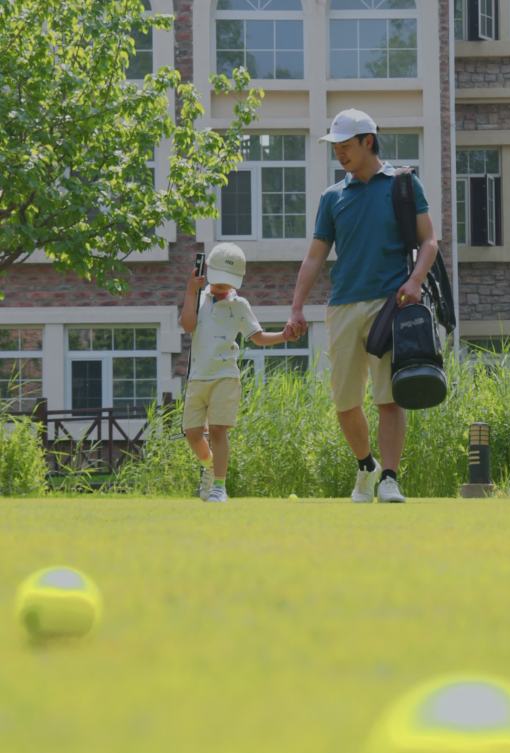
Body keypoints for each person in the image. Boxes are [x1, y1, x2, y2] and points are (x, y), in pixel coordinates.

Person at [285, 108, 438, 503]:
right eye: (335, 146)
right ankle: (366, 465)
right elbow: (315, 257)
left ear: (368, 141)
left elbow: (430, 241)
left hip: (391, 305)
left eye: (346, 145)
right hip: (343, 307)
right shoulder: (333, 197)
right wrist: (297, 307)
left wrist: (415, 279)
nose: (339, 153)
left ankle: (389, 477)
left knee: (389, 397)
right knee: (345, 402)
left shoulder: (404, 184)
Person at [180, 242, 289, 503]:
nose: (221, 288)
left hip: (226, 376)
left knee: (218, 429)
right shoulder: (198, 297)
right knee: (193, 433)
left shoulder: (240, 305)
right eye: (218, 282)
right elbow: (187, 326)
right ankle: (209, 466)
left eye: (226, 283)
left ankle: (219, 486)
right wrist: (189, 291)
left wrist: (284, 335)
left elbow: (258, 337)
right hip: (197, 377)